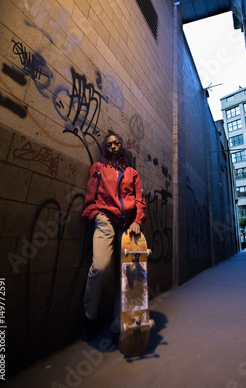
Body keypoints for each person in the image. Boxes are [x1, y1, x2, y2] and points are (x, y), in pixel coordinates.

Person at [81, 132, 146, 339]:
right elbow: (90, 196)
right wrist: (94, 214)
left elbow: (139, 201)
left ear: (122, 146)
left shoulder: (132, 173)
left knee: (125, 273)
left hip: (128, 224)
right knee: (100, 266)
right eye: (109, 144)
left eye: (117, 143)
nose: (113, 146)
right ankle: (89, 317)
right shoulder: (98, 168)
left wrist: (137, 221)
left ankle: (120, 322)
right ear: (105, 148)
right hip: (105, 219)